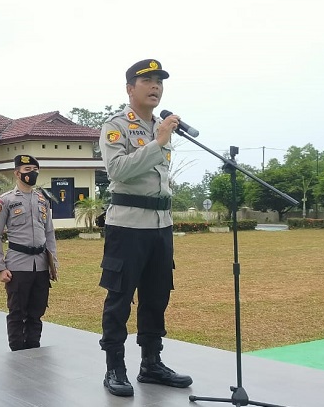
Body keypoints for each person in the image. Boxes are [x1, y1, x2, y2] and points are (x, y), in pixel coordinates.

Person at [98, 59, 192, 397]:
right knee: (120, 298)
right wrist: (158, 142)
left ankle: (151, 363)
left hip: (160, 225)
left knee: (157, 296)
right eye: (147, 81)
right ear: (129, 89)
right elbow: (118, 170)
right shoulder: (116, 126)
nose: (155, 86)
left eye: (159, 82)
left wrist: (160, 137)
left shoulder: (160, 126)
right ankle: (115, 367)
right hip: (127, 226)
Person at [0, 155, 58, 351]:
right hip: (17, 265)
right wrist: (0, 267)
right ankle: (17, 353)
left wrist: (53, 264)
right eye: (27, 169)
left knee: (37, 312)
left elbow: (49, 233)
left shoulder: (42, 200)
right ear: (17, 173)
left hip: (41, 265)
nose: (32, 173)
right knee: (17, 312)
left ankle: (34, 350)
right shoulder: (6, 200)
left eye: (35, 170)